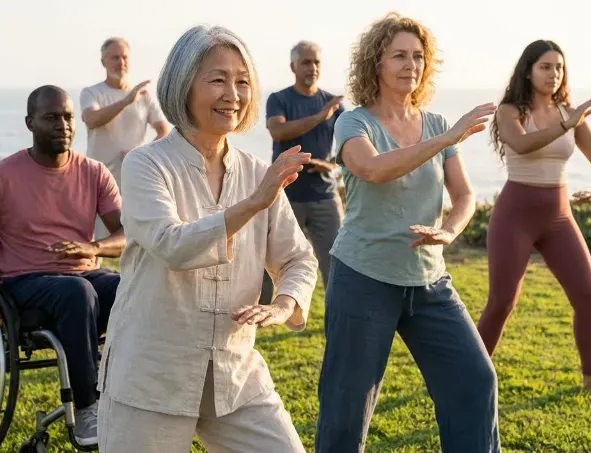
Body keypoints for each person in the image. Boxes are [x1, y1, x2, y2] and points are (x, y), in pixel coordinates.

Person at [96, 25, 319, 452]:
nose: (232, 94)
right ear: (183, 85)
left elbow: (298, 258)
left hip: (235, 375)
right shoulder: (146, 165)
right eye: (217, 79)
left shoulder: (256, 172)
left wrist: (285, 303)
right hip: (151, 377)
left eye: (242, 81)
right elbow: (171, 244)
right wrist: (254, 203)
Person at [314, 13, 501, 453]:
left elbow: (464, 196)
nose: (410, 65)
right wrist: (449, 136)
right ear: (375, 62)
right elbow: (373, 169)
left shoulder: (436, 124)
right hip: (363, 276)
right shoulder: (353, 122)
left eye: (418, 57)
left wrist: (449, 231)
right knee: (346, 411)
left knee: (475, 381)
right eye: (399, 55)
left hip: (429, 282)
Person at [0, 85, 124, 448]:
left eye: (69, 117)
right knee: (78, 292)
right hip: (25, 285)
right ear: (30, 123)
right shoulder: (1, 175)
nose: (63, 125)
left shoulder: (94, 172)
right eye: (51, 117)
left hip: (83, 275)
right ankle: (88, 408)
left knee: (130, 288)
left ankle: (130, 395)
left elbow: (126, 234)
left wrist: (93, 246)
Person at [476, 40, 591, 397]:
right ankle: (471, 374)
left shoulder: (569, 114)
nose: (554, 74)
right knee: (502, 302)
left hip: (558, 218)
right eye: (545, 67)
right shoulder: (510, 111)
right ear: (528, 70)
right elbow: (522, 145)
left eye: (559, 67)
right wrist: (565, 124)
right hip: (515, 216)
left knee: (587, 296)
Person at [261, 40, 345, 301]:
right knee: (269, 257)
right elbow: (277, 131)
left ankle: (339, 310)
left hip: (324, 195)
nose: (313, 67)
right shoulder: (279, 99)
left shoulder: (334, 106)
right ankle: (260, 306)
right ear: (293, 66)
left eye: (317, 62)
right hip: (286, 195)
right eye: (306, 62)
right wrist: (319, 117)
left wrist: (328, 165)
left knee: (337, 261)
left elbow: (349, 150)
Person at [80, 37, 170, 243]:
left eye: (124, 57)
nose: (120, 62)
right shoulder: (91, 93)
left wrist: (142, 153)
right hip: (98, 179)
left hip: (133, 176)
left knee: (134, 237)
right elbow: (91, 120)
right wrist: (126, 101)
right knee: (94, 238)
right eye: (114, 57)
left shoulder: (144, 95)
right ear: (103, 62)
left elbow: (163, 130)